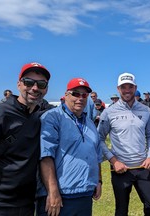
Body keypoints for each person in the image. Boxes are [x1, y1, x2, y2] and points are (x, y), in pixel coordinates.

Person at [36, 78, 103, 216]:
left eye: (84, 95)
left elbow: (96, 154)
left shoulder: (90, 123)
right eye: (75, 94)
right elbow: (45, 156)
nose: (80, 98)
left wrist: (98, 180)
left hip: (85, 194)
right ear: (66, 95)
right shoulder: (52, 117)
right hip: (61, 196)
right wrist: (52, 192)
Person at [0, 62, 52, 215]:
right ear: (19, 84)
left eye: (41, 84)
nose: (35, 88)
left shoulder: (41, 116)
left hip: (27, 202)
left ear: (46, 88)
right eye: (28, 82)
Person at [98, 72, 150, 216]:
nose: (127, 90)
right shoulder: (109, 112)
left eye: (130, 86)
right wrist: (113, 161)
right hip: (120, 169)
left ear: (135, 87)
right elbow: (99, 138)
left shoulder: (145, 110)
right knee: (121, 210)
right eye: (123, 87)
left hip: (143, 166)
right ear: (118, 89)